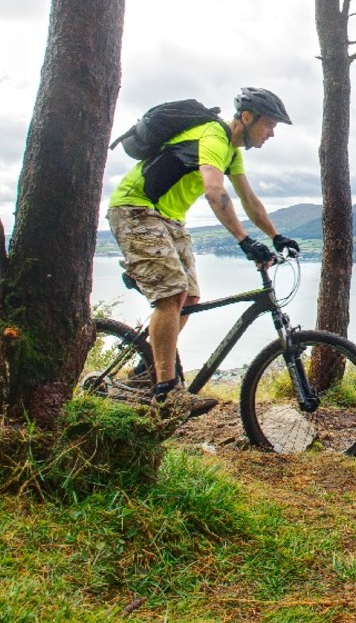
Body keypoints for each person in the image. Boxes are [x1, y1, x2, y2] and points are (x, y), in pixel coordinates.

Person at [106, 87, 300, 417]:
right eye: (269, 125)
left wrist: (276, 236)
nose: (271, 134)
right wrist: (243, 241)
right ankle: (167, 392)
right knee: (172, 295)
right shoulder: (213, 135)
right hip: (136, 208)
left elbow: (250, 201)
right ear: (247, 117)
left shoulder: (233, 152)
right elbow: (214, 191)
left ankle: (144, 372)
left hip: (168, 217)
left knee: (190, 298)